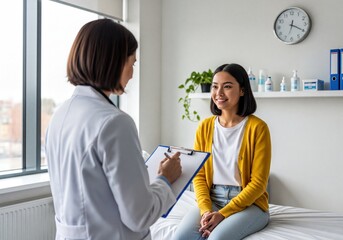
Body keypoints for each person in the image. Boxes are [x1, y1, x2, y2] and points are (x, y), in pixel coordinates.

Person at [45, 19, 182, 240]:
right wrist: (165, 179)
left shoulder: (59, 116)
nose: (131, 74)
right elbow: (139, 216)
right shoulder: (115, 123)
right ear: (114, 61)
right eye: (132, 64)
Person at [173, 63, 271, 240]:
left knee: (216, 238)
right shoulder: (205, 127)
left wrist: (223, 214)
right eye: (215, 86)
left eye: (227, 86)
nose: (219, 93)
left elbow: (259, 184)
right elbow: (200, 175)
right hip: (212, 200)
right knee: (180, 238)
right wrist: (205, 211)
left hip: (250, 205)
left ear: (242, 90)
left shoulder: (258, 128)